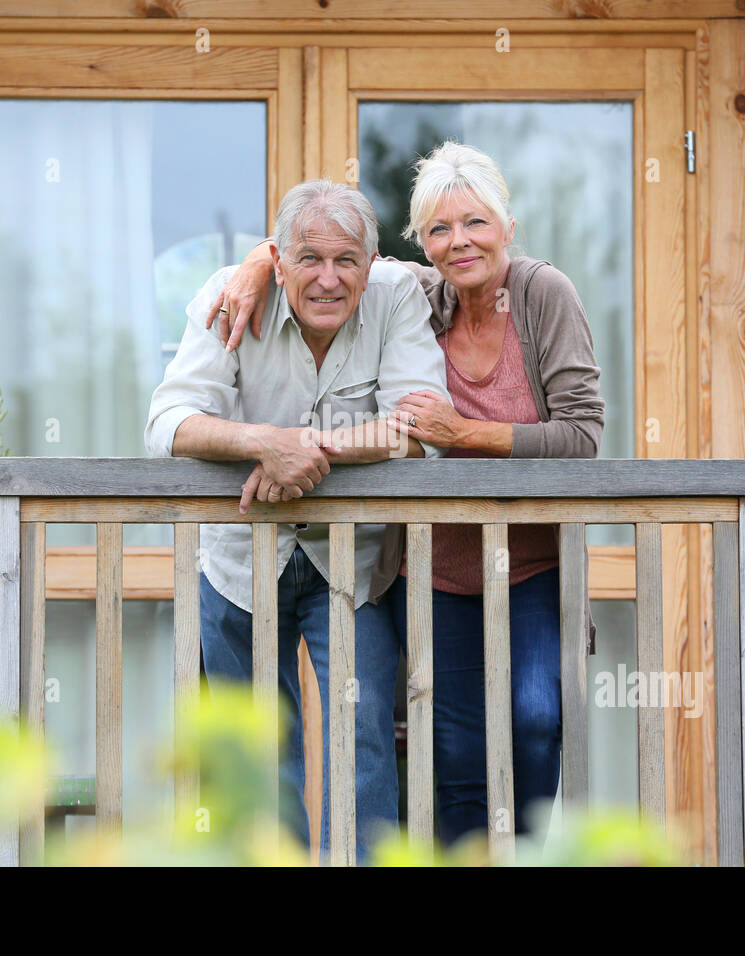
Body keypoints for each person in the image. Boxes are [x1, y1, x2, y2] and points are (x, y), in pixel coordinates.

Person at [206, 142, 605, 846]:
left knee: (537, 722)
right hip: (435, 570)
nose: (460, 243)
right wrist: (258, 265)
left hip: (532, 564)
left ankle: (528, 860)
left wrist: (465, 432)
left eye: (476, 223)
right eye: (440, 230)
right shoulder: (420, 294)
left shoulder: (544, 296)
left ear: (507, 226)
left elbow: (581, 436)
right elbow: (330, 261)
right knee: (451, 751)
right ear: (422, 243)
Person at [145, 178, 451, 860]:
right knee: (258, 747)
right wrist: (262, 442)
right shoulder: (230, 293)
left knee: (363, 731)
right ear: (277, 261)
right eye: (309, 260)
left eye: (346, 261)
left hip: (354, 561)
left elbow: (424, 427)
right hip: (236, 560)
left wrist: (312, 453)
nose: (328, 278)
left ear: (371, 265)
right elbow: (166, 423)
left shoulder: (396, 294)